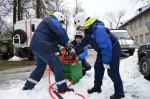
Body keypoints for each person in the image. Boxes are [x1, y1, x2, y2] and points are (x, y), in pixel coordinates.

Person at [74, 12, 125, 99]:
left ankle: (119, 92)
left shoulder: (98, 30)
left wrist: (106, 62)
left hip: (112, 50)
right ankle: (97, 87)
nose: (81, 28)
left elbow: (107, 47)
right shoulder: (89, 32)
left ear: (84, 22)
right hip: (102, 51)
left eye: (81, 26)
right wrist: (74, 49)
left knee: (112, 72)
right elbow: (83, 42)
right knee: (98, 68)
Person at [22, 11, 74, 92]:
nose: (60, 24)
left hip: (35, 47)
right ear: (59, 18)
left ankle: (27, 86)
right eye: (61, 22)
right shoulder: (52, 19)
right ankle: (62, 88)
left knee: (39, 68)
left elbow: (56, 38)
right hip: (44, 47)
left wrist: (63, 45)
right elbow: (60, 31)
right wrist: (66, 42)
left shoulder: (47, 23)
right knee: (58, 66)